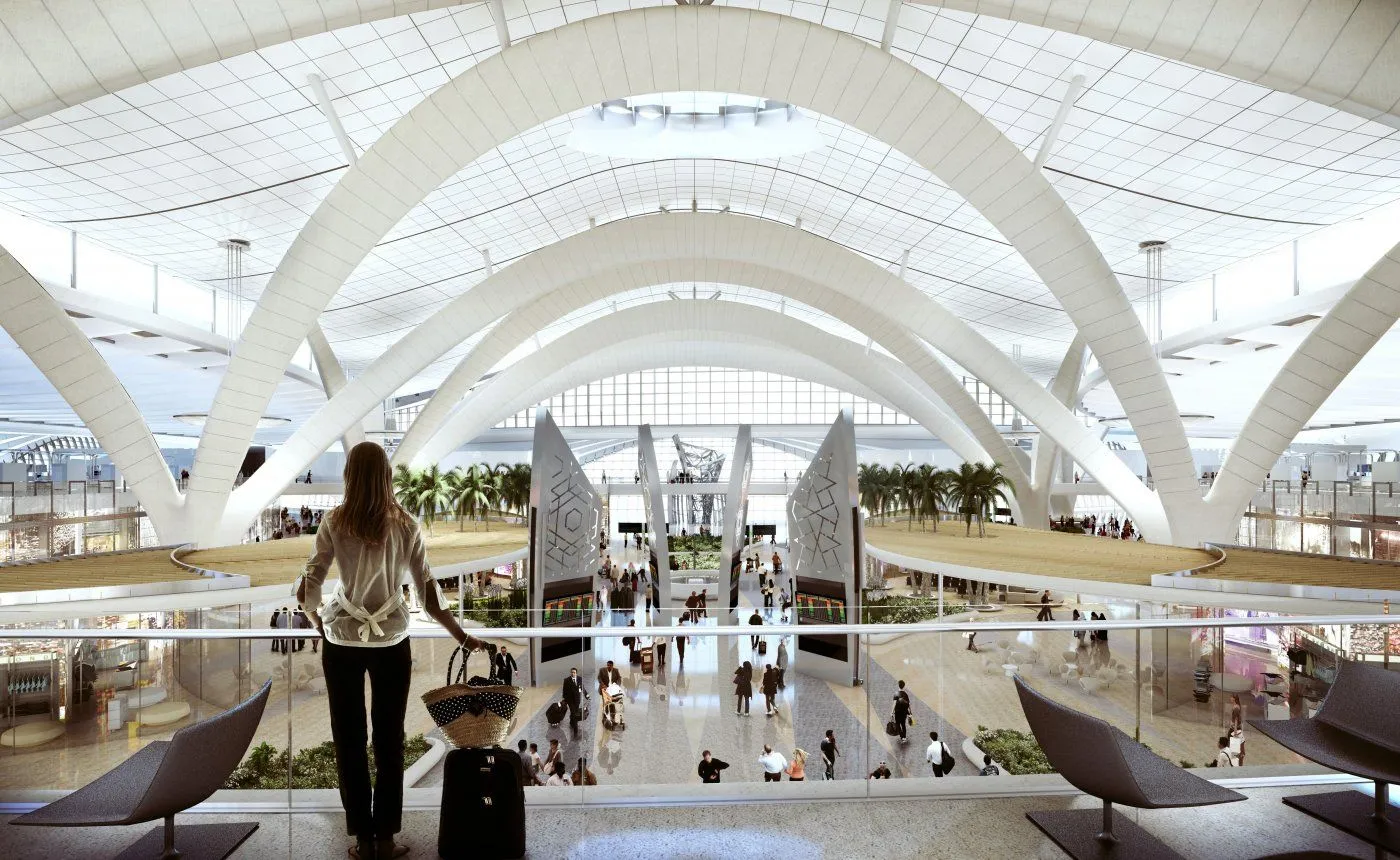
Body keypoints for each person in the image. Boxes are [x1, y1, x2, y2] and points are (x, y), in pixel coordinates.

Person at [297, 441, 481, 860]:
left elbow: (312, 580)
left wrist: (314, 618)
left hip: (341, 639)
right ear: (386, 476)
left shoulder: (333, 522)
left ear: (349, 475)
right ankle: (386, 839)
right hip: (393, 641)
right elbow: (428, 592)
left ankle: (361, 840)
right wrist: (461, 636)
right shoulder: (406, 524)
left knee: (349, 739)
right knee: (389, 740)